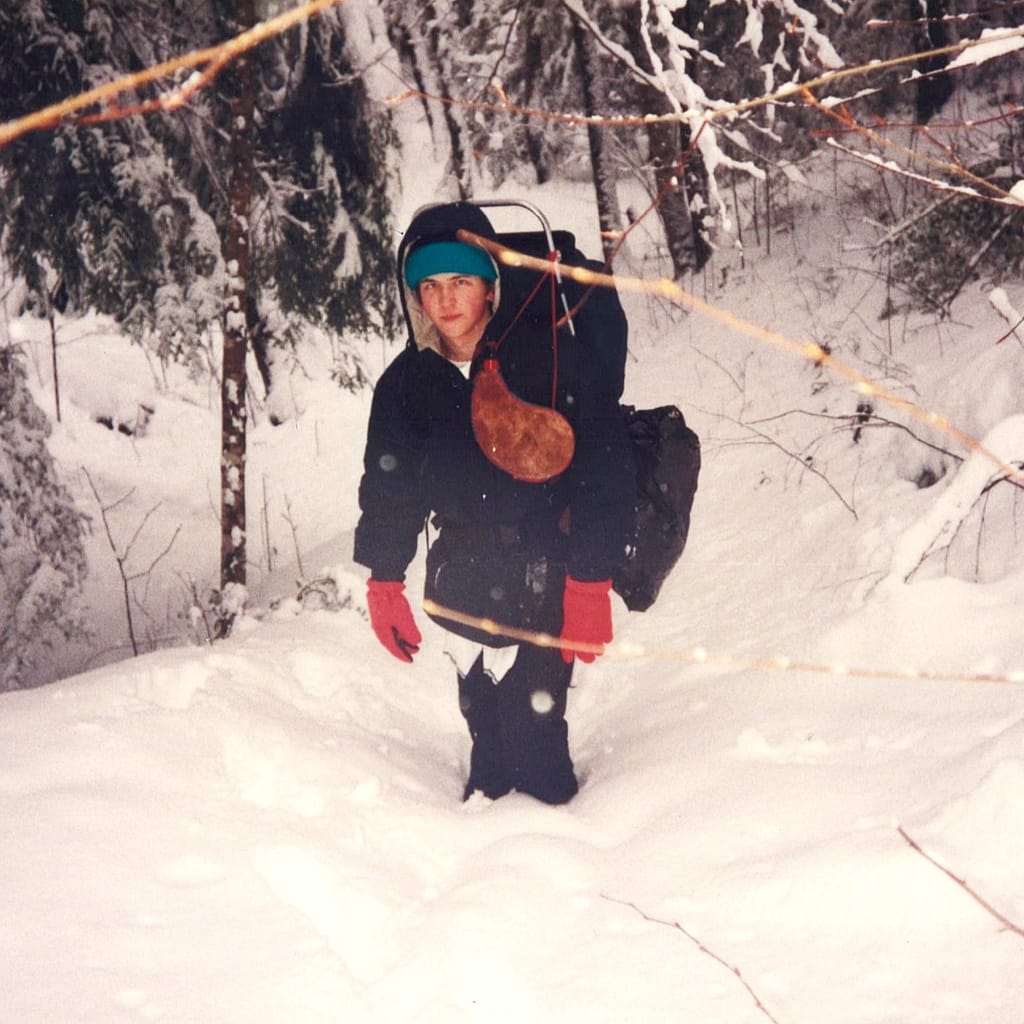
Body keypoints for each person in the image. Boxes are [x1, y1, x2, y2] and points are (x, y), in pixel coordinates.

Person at [353, 200, 635, 805]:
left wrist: (588, 585)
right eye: (429, 285)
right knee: (485, 734)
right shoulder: (406, 383)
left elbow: (602, 471)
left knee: (534, 738)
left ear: (490, 287)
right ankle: (484, 848)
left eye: (460, 281)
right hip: (459, 583)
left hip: (544, 575)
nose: (445, 299)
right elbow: (390, 488)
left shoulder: (552, 360)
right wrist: (383, 580)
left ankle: (558, 855)